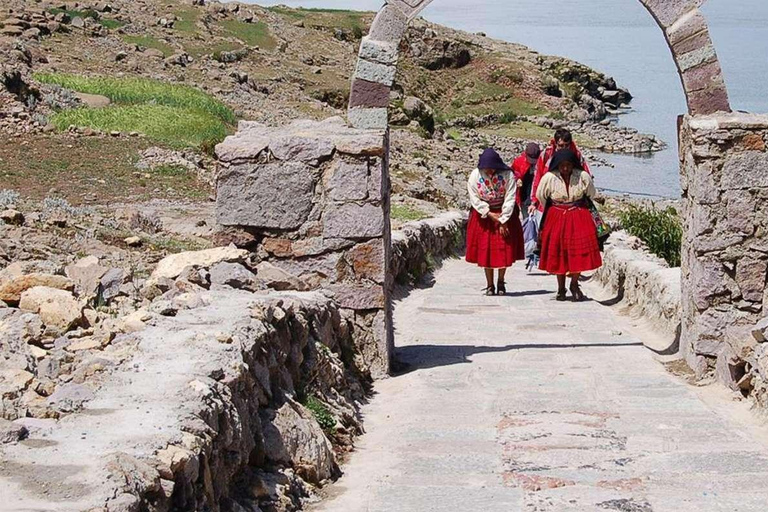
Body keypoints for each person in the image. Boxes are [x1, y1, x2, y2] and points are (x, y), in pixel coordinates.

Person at [536, 149, 602, 302]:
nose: (565, 168)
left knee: (577, 251)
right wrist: (557, 207)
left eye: (568, 165)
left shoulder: (582, 176)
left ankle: (574, 283)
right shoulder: (549, 178)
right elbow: (541, 196)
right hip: (557, 216)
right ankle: (560, 287)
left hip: (578, 215)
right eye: (562, 165)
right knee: (559, 251)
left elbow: (591, 193)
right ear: (557, 165)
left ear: (573, 165)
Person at [466, 148, 525, 296]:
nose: (490, 172)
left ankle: (501, 281)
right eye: (487, 169)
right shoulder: (475, 176)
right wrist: (488, 213)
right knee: (486, 251)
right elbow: (474, 198)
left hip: (505, 213)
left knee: (503, 249)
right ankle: (489, 284)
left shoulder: (508, 175)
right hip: (484, 216)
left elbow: (510, 197)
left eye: (492, 169)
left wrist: (504, 219)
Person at [529, 129, 590, 216]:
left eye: (566, 145)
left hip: (574, 203)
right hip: (551, 201)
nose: (564, 149)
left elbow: (586, 177)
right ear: (555, 143)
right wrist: (534, 201)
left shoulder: (577, 156)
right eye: (561, 146)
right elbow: (537, 178)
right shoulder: (546, 155)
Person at [511, 142, 541, 220]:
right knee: (527, 219)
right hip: (524, 195)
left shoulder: (542, 161)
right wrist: (517, 178)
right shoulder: (519, 161)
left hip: (538, 195)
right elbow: (512, 173)